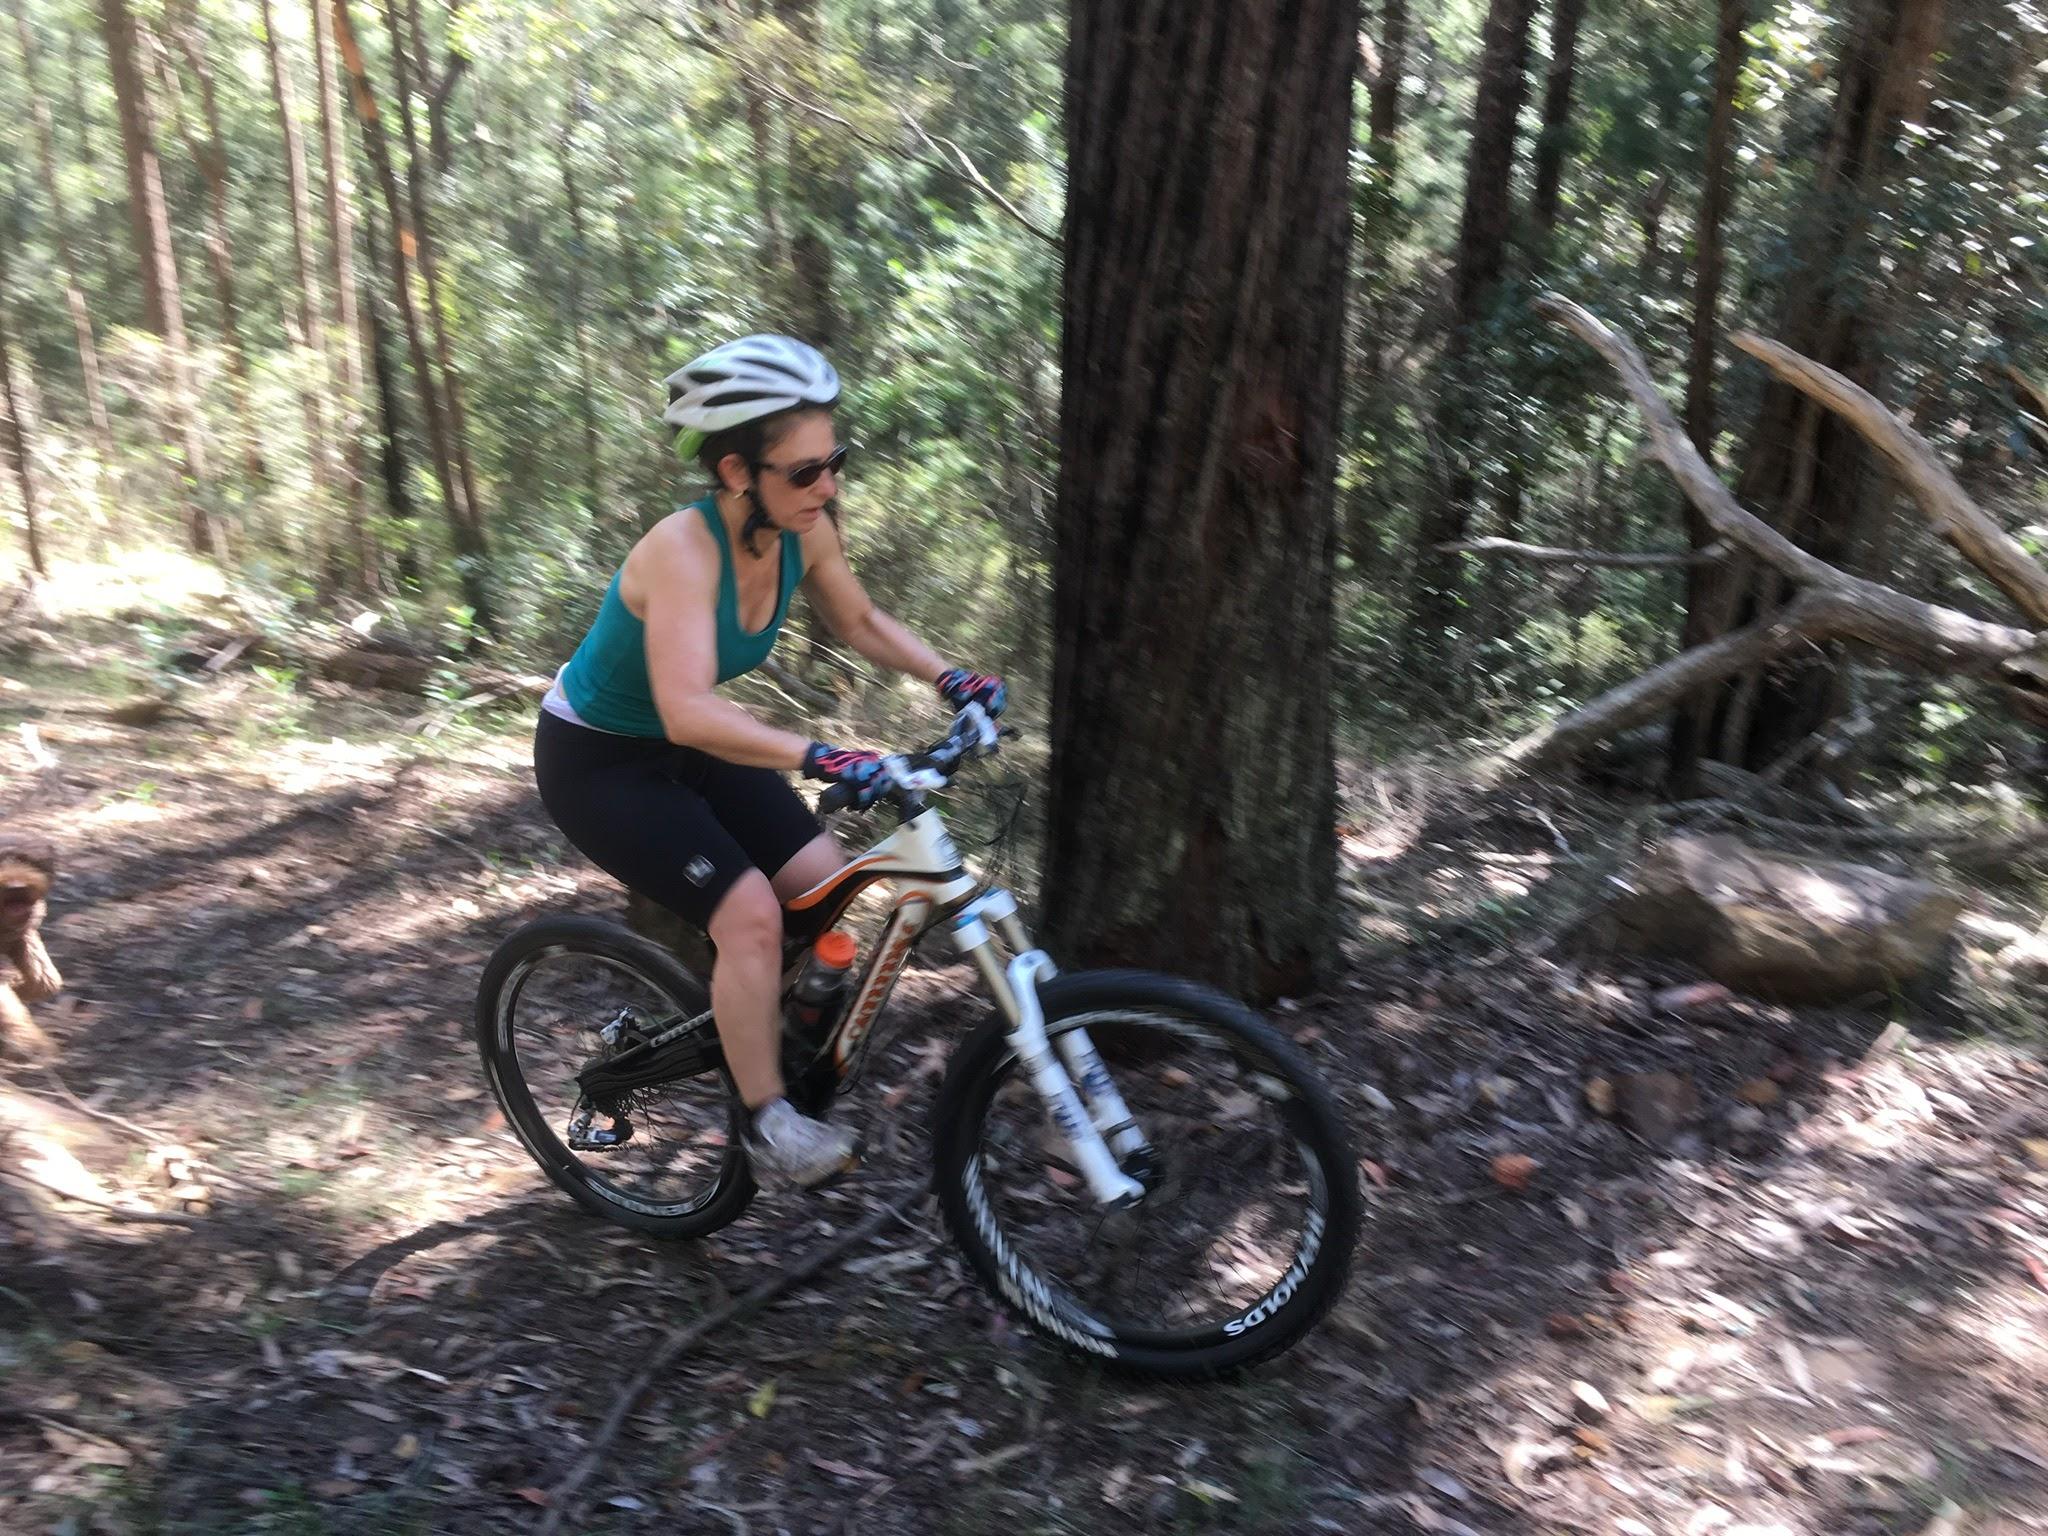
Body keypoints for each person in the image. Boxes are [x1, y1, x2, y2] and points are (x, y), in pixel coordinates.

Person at [534, 335, 1006, 1188]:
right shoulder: (682, 551)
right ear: (735, 472)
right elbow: (685, 706)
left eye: (836, 463)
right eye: (804, 471)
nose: (827, 487)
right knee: (750, 915)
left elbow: (859, 621)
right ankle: (764, 1127)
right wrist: (825, 754)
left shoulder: (803, 528)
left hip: (692, 744)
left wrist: (951, 676)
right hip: (600, 761)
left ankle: (749, 1022)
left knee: (826, 886)